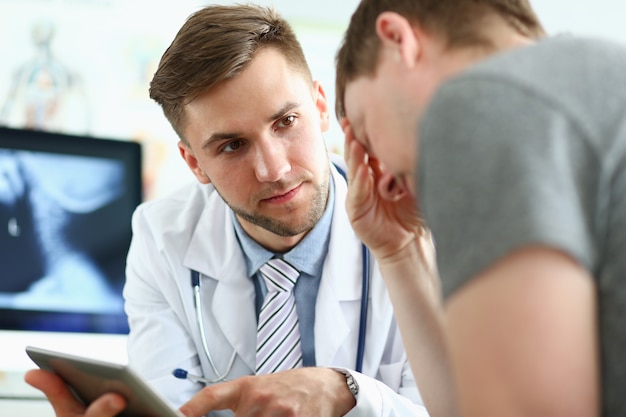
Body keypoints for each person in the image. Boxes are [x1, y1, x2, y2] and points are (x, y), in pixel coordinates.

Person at [25, 4, 434, 417]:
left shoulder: (418, 222)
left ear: (321, 105)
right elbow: (165, 404)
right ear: (194, 163)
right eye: (233, 146)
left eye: (286, 121)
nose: (274, 169)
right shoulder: (162, 238)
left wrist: (350, 394)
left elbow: (463, 405)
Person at [334, 0, 626, 416]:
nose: (382, 179)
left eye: (364, 137)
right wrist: (396, 251)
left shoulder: (479, 101)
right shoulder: (602, 78)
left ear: (398, 40)